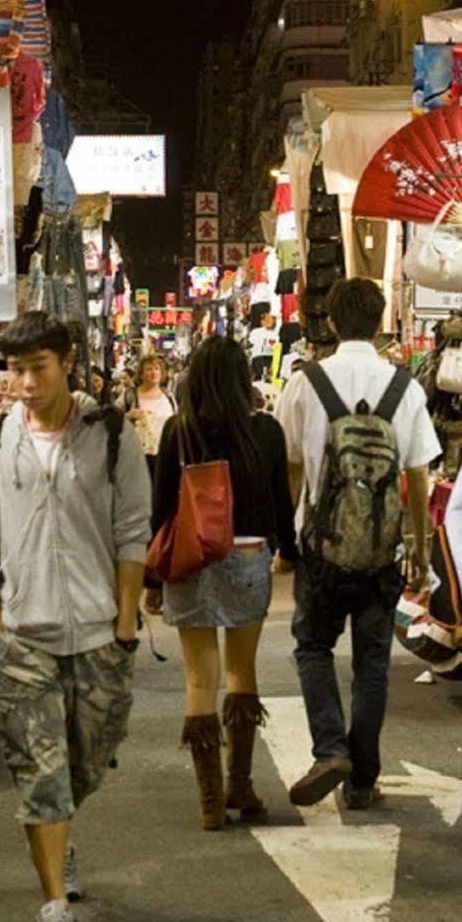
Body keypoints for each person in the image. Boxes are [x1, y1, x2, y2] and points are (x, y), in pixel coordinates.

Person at [0, 312, 151, 922]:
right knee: (39, 774)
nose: (26, 383)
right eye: (16, 370)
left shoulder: (112, 434)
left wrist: (125, 625)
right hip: (23, 640)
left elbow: (132, 533)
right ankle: (55, 903)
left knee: (85, 764)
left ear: (66, 363)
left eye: (37, 368)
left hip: (98, 635)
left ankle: (61, 833)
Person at [276, 277, 436, 810]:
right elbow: (418, 475)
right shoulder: (405, 387)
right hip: (382, 551)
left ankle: (330, 747)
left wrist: (288, 536)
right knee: (372, 662)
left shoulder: (305, 383)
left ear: (332, 323)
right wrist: (420, 547)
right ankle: (363, 780)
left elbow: (293, 467)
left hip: (320, 551)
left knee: (314, 647)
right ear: (380, 319)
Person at [152, 335, 299, 831]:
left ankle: (210, 801)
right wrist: (290, 555)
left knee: (199, 678)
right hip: (249, 558)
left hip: (192, 558)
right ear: (243, 380)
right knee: (242, 670)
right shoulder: (266, 432)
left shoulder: (180, 431)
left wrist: (154, 578)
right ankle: (240, 784)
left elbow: (161, 510)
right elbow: (282, 503)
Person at [247, 314, 278, 380]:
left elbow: (276, 348)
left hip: (269, 358)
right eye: (267, 320)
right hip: (259, 358)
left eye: (270, 319)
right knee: (263, 378)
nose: (269, 321)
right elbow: (250, 344)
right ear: (262, 322)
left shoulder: (275, 333)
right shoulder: (255, 331)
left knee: (266, 378)